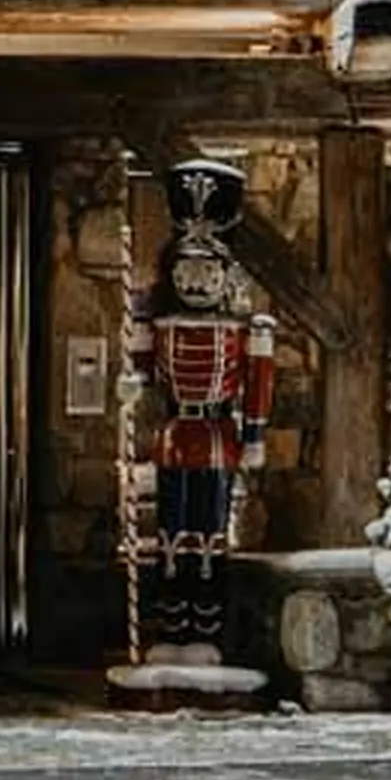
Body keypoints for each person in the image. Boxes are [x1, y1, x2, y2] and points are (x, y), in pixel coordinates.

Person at [124, 157, 274, 660]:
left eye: (205, 270)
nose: (195, 281)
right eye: (186, 269)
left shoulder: (243, 331)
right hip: (173, 433)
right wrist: (132, 383)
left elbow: (257, 386)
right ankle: (170, 630)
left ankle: (205, 634)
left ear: (223, 276)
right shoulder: (159, 322)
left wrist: (253, 438)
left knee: (209, 538)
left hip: (216, 435)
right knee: (169, 535)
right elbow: (142, 371)